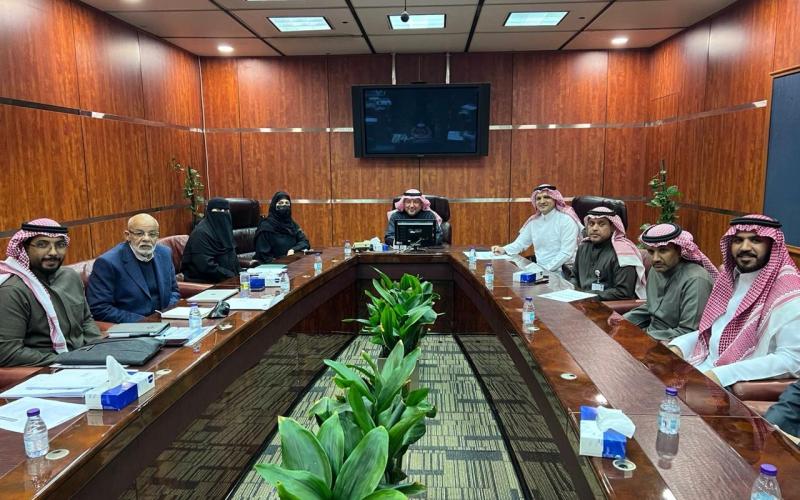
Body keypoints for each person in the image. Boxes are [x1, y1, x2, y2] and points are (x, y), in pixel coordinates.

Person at [668, 215, 800, 388]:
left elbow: (792, 360)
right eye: (738, 240)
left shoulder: (789, 293)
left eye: (755, 240)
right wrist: (679, 346)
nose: (745, 247)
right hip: (702, 372)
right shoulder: (732, 280)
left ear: (772, 245)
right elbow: (715, 334)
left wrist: (721, 375)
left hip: (732, 386)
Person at [0, 219, 101, 366]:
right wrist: (67, 360)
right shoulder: (13, 291)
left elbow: (86, 320)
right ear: (25, 248)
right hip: (48, 366)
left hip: (85, 359)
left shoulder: (70, 276)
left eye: (60, 245)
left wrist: (98, 350)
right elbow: (7, 352)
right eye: (42, 244)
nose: (53, 252)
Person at [622, 223, 717, 341]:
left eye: (663, 251)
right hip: (649, 335)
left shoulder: (696, 280)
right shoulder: (655, 270)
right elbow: (652, 308)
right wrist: (621, 321)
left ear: (679, 250)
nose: (655, 259)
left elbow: (689, 332)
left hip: (672, 344)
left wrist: (640, 338)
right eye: (651, 252)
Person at [87, 214, 180, 323]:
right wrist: (145, 322)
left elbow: (174, 291)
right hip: (132, 325)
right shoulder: (107, 263)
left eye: (152, 234)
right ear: (127, 235)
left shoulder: (164, 253)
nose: (146, 239)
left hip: (165, 321)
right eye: (139, 233)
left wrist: (168, 312)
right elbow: (100, 308)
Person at [491, 184, 583, 272]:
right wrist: (503, 249)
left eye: (546, 197)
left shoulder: (567, 219)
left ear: (555, 199)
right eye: (538, 198)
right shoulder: (534, 221)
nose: (542, 201)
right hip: (542, 270)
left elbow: (566, 253)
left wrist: (545, 270)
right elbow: (520, 244)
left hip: (564, 272)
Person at [570, 207, 646, 301]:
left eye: (601, 224)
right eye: (591, 224)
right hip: (581, 301)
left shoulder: (623, 252)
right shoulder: (583, 247)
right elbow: (574, 276)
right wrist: (573, 291)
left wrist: (589, 296)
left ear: (613, 227)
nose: (594, 228)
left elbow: (623, 292)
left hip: (606, 305)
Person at [181, 198, 241, 283]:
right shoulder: (200, 233)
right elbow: (205, 266)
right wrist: (232, 277)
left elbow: (232, 256)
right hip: (205, 282)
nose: (223, 213)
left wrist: (240, 274)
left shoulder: (225, 230)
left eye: (226, 210)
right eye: (218, 210)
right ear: (209, 212)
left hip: (226, 279)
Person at [254, 192, 310, 263]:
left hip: (291, 262)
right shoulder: (265, 227)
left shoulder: (292, 224)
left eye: (287, 203)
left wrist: (293, 250)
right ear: (274, 206)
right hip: (273, 265)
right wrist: (281, 262)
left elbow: (305, 242)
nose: (284, 205)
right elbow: (263, 256)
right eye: (280, 203)